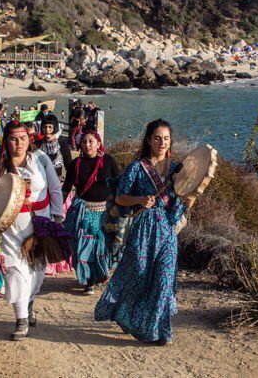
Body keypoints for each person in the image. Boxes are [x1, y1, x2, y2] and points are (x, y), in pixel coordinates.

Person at [94, 119, 193, 345]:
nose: (162, 142)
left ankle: (158, 330)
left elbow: (182, 202)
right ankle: (125, 313)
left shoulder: (177, 169)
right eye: (157, 138)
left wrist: (190, 200)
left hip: (167, 231)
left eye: (166, 138)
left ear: (171, 141)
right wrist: (140, 199)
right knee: (138, 276)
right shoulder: (137, 168)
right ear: (149, 140)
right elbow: (120, 197)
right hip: (143, 230)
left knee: (164, 280)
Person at [0, 121, 64, 340]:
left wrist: (58, 216)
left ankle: (29, 303)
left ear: (29, 139)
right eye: (13, 138)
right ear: (6, 140)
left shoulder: (40, 158)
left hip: (40, 223)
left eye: (22, 138)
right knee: (16, 271)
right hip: (10, 227)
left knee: (37, 273)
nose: (18, 143)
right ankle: (21, 319)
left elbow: (54, 187)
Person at [62, 131, 119, 295]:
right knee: (83, 246)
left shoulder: (109, 161)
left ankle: (98, 275)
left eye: (91, 141)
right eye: (84, 142)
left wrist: (121, 206)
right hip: (83, 211)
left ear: (98, 143)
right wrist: (58, 209)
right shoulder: (75, 164)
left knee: (102, 247)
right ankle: (88, 281)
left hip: (105, 212)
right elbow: (66, 188)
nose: (87, 145)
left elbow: (119, 184)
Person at [37, 114, 72, 178]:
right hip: (40, 183)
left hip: (57, 185)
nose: (47, 130)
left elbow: (70, 169)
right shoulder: (36, 145)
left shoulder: (63, 146)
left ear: (55, 127)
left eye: (50, 127)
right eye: (45, 127)